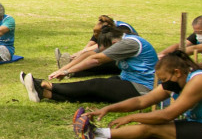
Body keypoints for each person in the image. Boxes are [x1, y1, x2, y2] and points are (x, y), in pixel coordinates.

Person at [73, 52, 202, 139]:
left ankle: (96, 132)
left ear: (177, 72)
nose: (164, 84)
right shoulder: (177, 81)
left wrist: (131, 118)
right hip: (200, 127)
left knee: (153, 128)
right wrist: (107, 109)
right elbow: (141, 100)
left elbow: (168, 114)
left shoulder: (199, 80)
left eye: (165, 79)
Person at [21, 25, 157, 105]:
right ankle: (44, 94)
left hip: (143, 89)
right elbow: (89, 55)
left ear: (114, 45)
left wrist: (68, 72)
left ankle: (46, 85)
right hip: (127, 80)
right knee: (95, 93)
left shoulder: (129, 43)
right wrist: (64, 68)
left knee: (96, 85)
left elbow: (96, 60)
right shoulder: (118, 40)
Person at [54, 15, 139, 74]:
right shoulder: (103, 28)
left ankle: (73, 72)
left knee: (98, 61)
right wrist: (77, 55)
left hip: (128, 58)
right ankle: (69, 64)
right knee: (92, 57)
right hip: (118, 52)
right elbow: (90, 46)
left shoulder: (122, 30)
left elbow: (96, 50)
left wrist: (68, 69)